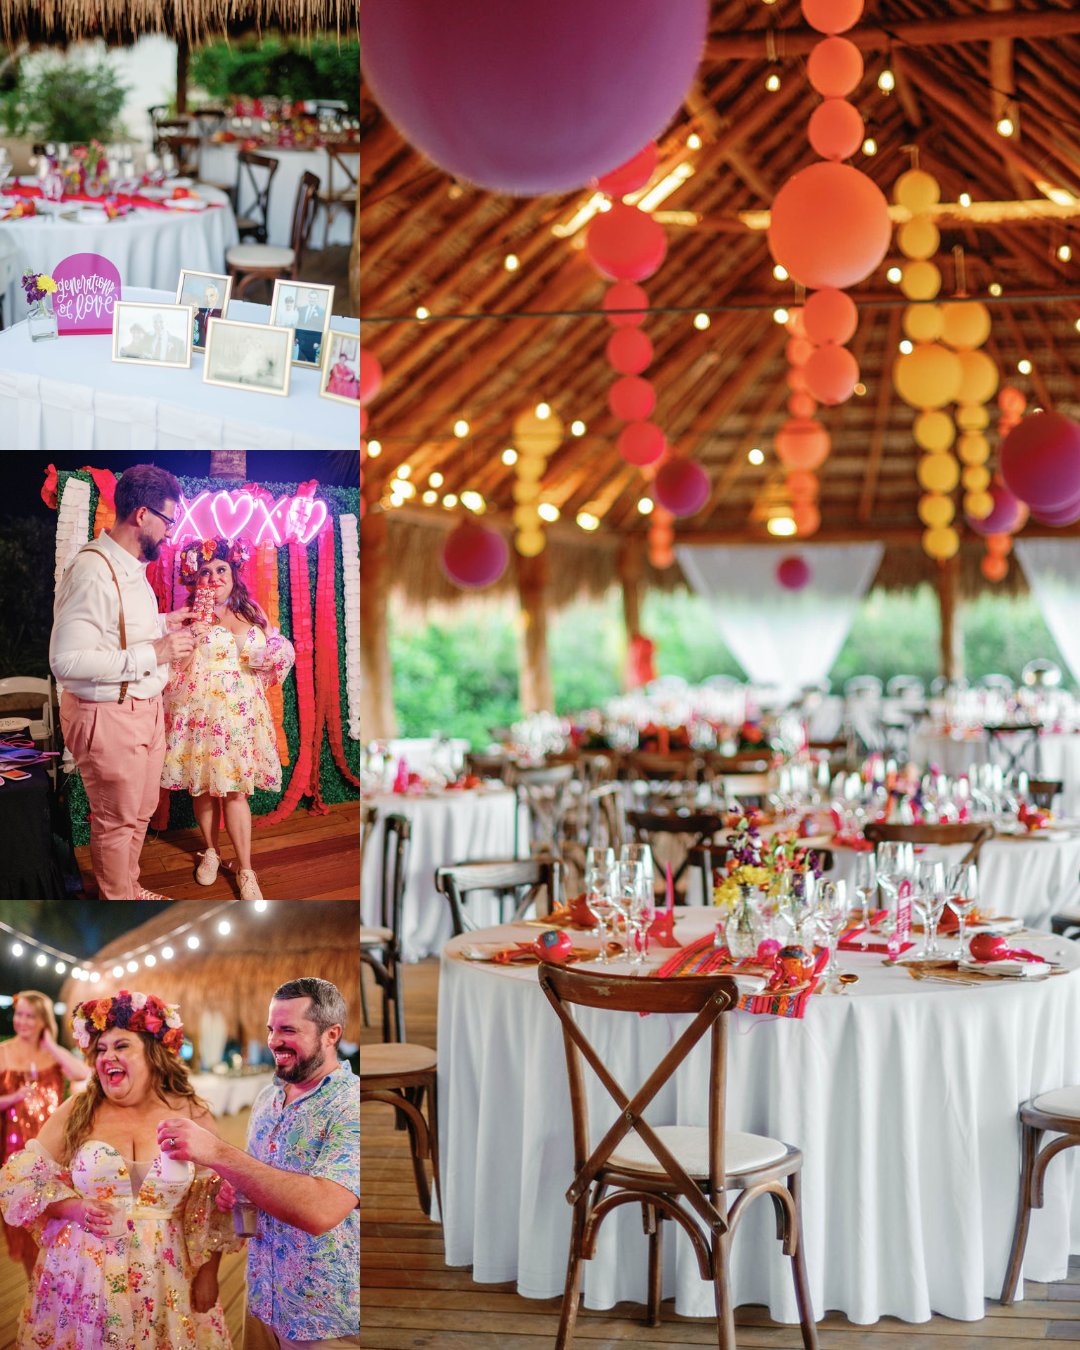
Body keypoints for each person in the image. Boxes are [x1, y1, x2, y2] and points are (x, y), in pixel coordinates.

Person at [0, 990, 240, 1349]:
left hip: (166, 1278)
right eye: (100, 1049)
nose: (107, 1056)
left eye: (121, 1046)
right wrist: (72, 1208)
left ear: (152, 1052)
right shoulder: (79, 1110)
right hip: (85, 1276)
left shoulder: (190, 1111)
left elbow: (213, 1201)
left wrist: (209, 1273)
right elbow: (18, 1180)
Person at [158, 977, 359, 1350]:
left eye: (288, 1030)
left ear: (331, 1035)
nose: (273, 1041)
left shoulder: (350, 1105)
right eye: (270, 1029)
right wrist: (238, 1188)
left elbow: (321, 1209)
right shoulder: (268, 1098)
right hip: (262, 1300)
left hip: (323, 1317)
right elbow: (260, 1179)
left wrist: (218, 1153)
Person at [49, 463, 196, 900]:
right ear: (143, 515)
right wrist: (159, 651)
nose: (171, 531)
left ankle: (130, 888)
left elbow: (119, 629)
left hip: (143, 711)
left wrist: (165, 622)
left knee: (139, 813)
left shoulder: (130, 567)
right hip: (109, 716)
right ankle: (119, 903)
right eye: (169, 520)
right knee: (116, 823)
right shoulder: (94, 570)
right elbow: (66, 659)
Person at [161, 537, 295, 901]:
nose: (214, 577)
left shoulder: (252, 611)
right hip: (201, 712)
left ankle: (246, 869)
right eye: (205, 572)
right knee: (203, 787)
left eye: (221, 570)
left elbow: (279, 647)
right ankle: (210, 851)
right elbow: (173, 670)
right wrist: (193, 637)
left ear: (234, 574)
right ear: (196, 580)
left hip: (241, 714)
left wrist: (271, 658)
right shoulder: (188, 616)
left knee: (235, 790)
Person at [0, 991, 92, 1281]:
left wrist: (50, 1044)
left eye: (30, 1015)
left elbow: (81, 1074)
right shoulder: (3, 1051)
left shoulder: (52, 1053)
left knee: (57, 1221)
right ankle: (32, 1285)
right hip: (14, 1149)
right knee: (26, 1227)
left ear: (42, 1020)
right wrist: (13, 1096)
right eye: (19, 1014)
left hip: (56, 1151)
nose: (22, 1021)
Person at [192, 282, 223, 349]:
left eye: (211, 295)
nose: (208, 299)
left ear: (217, 297)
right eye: (206, 296)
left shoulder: (221, 314)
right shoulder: (201, 311)